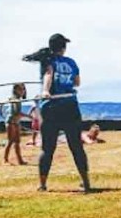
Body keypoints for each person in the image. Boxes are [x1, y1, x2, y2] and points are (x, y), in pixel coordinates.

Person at [35, 33, 91, 193]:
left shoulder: (47, 60)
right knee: (76, 146)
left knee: (48, 148)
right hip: (70, 106)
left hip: (51, 107)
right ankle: (86, 182)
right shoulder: (71, 62)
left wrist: (46, 90)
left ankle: (42, 184)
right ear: (63, 47)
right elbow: (77, 82)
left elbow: (48, 74)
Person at [1, 83, 27, 165]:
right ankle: (5, 160)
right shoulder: (14, 99)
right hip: (11, 121)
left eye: (23, 89)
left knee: (17, 141)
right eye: (21, 89)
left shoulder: (18, 99)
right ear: (15, 90)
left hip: (16, 122)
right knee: (10, 141)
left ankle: (20, 160)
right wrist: (30, 116)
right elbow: (17, 113)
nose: (22, 91)